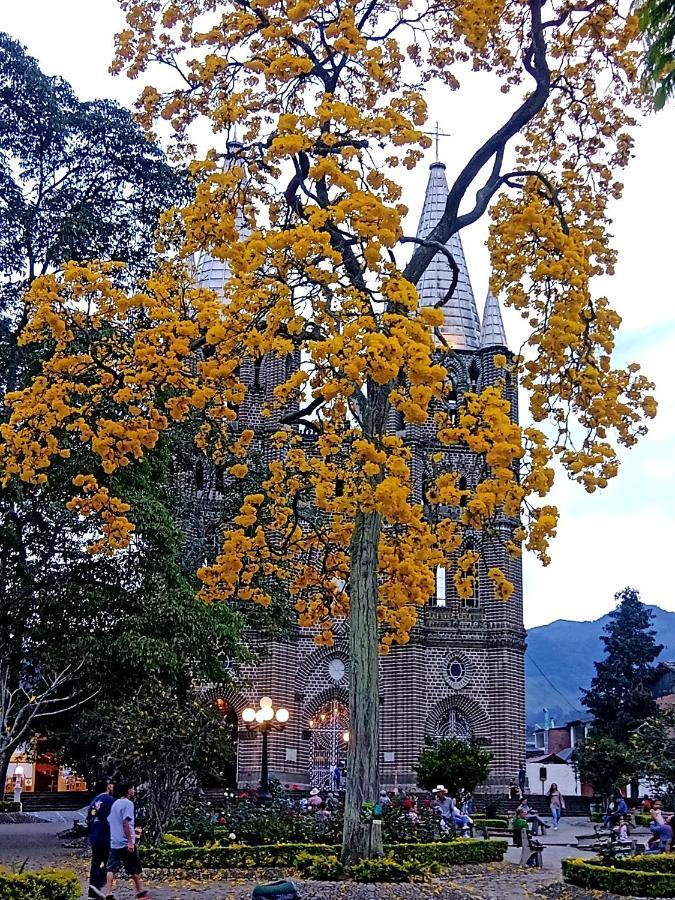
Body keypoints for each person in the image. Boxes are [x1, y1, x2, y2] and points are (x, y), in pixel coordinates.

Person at [103, 783, 150, 900]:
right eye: (132, 788)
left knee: (111, 868)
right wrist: (130, 840)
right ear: (128, 791)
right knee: (134, 866)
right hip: (125, 841)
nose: (134, 790)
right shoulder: (128, 804)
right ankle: (140, 891)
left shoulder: (115, 804)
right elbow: (126, 822)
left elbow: (110, 820)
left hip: (115, 840)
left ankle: (108, 893)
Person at [86, 779, 115, 899]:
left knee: (96, 862)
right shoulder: (110, 800)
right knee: (111, 863)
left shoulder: (95, 800)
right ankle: (97, 885)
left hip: (94, 835)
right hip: (106, 834)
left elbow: (88, 819)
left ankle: (92, 890)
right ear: (108, 786)